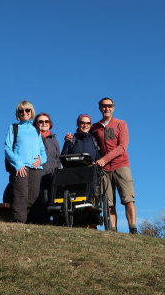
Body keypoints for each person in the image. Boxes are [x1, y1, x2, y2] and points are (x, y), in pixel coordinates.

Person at [67, 98, 137, 233]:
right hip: (104, 170)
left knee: (128, 199)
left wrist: (105, 159)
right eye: (104, 106)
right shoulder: (95, 127)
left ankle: (133, 228)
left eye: (109, 106)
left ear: (113, 108)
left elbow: (122, 147)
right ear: (100, 108)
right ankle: (112, 230)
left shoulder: (120, 124)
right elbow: (83, 136)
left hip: (121, 165)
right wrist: (70, 138)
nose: (107, 108)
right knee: (108, 202)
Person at [4, 100, 47, 223]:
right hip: (20, 168)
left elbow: (42, 151)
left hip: (36, 169)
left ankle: (34, 224)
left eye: (27, 110)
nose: (24, 112)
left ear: (31, 112)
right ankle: (19, 222)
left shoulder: (36, 130)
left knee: (35, 198)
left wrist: (41, 160)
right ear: (18, 113)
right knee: (20, 195)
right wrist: (18, 165)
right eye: (21, 110)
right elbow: (7, 148)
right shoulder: (14, 128)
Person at [33, 112, 61, 223]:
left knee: (51, 199)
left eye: (46, 121)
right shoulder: (33, 138)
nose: (44, 123)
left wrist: (57, 171)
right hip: (37, 174)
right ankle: (40, 221)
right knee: (39, 200)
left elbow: (58, 158)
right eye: (41, 121)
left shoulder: (53, 139)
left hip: (51, 175)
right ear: (36, 124)